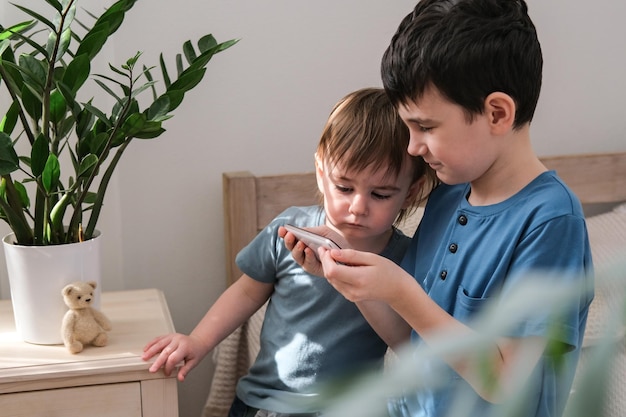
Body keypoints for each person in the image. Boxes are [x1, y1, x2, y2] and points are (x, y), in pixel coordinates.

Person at [283, 1, 594, 417]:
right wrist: (351, 275)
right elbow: (410, 338)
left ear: (497, 113)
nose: (412, 146)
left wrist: (401, 290)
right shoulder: (447, 196)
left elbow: (504, 380)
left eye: (425, 127)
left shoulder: (550, 220)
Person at [142, 87, 437, 416]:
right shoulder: (291, 231)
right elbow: (245, 293)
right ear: (322, 174)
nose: (358, 207)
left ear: (410, 195)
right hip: (265, 404)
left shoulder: (404, 260)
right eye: (344, 188)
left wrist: (357, 287)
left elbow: (403, 342)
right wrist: (197, 341)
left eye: (380, 194)